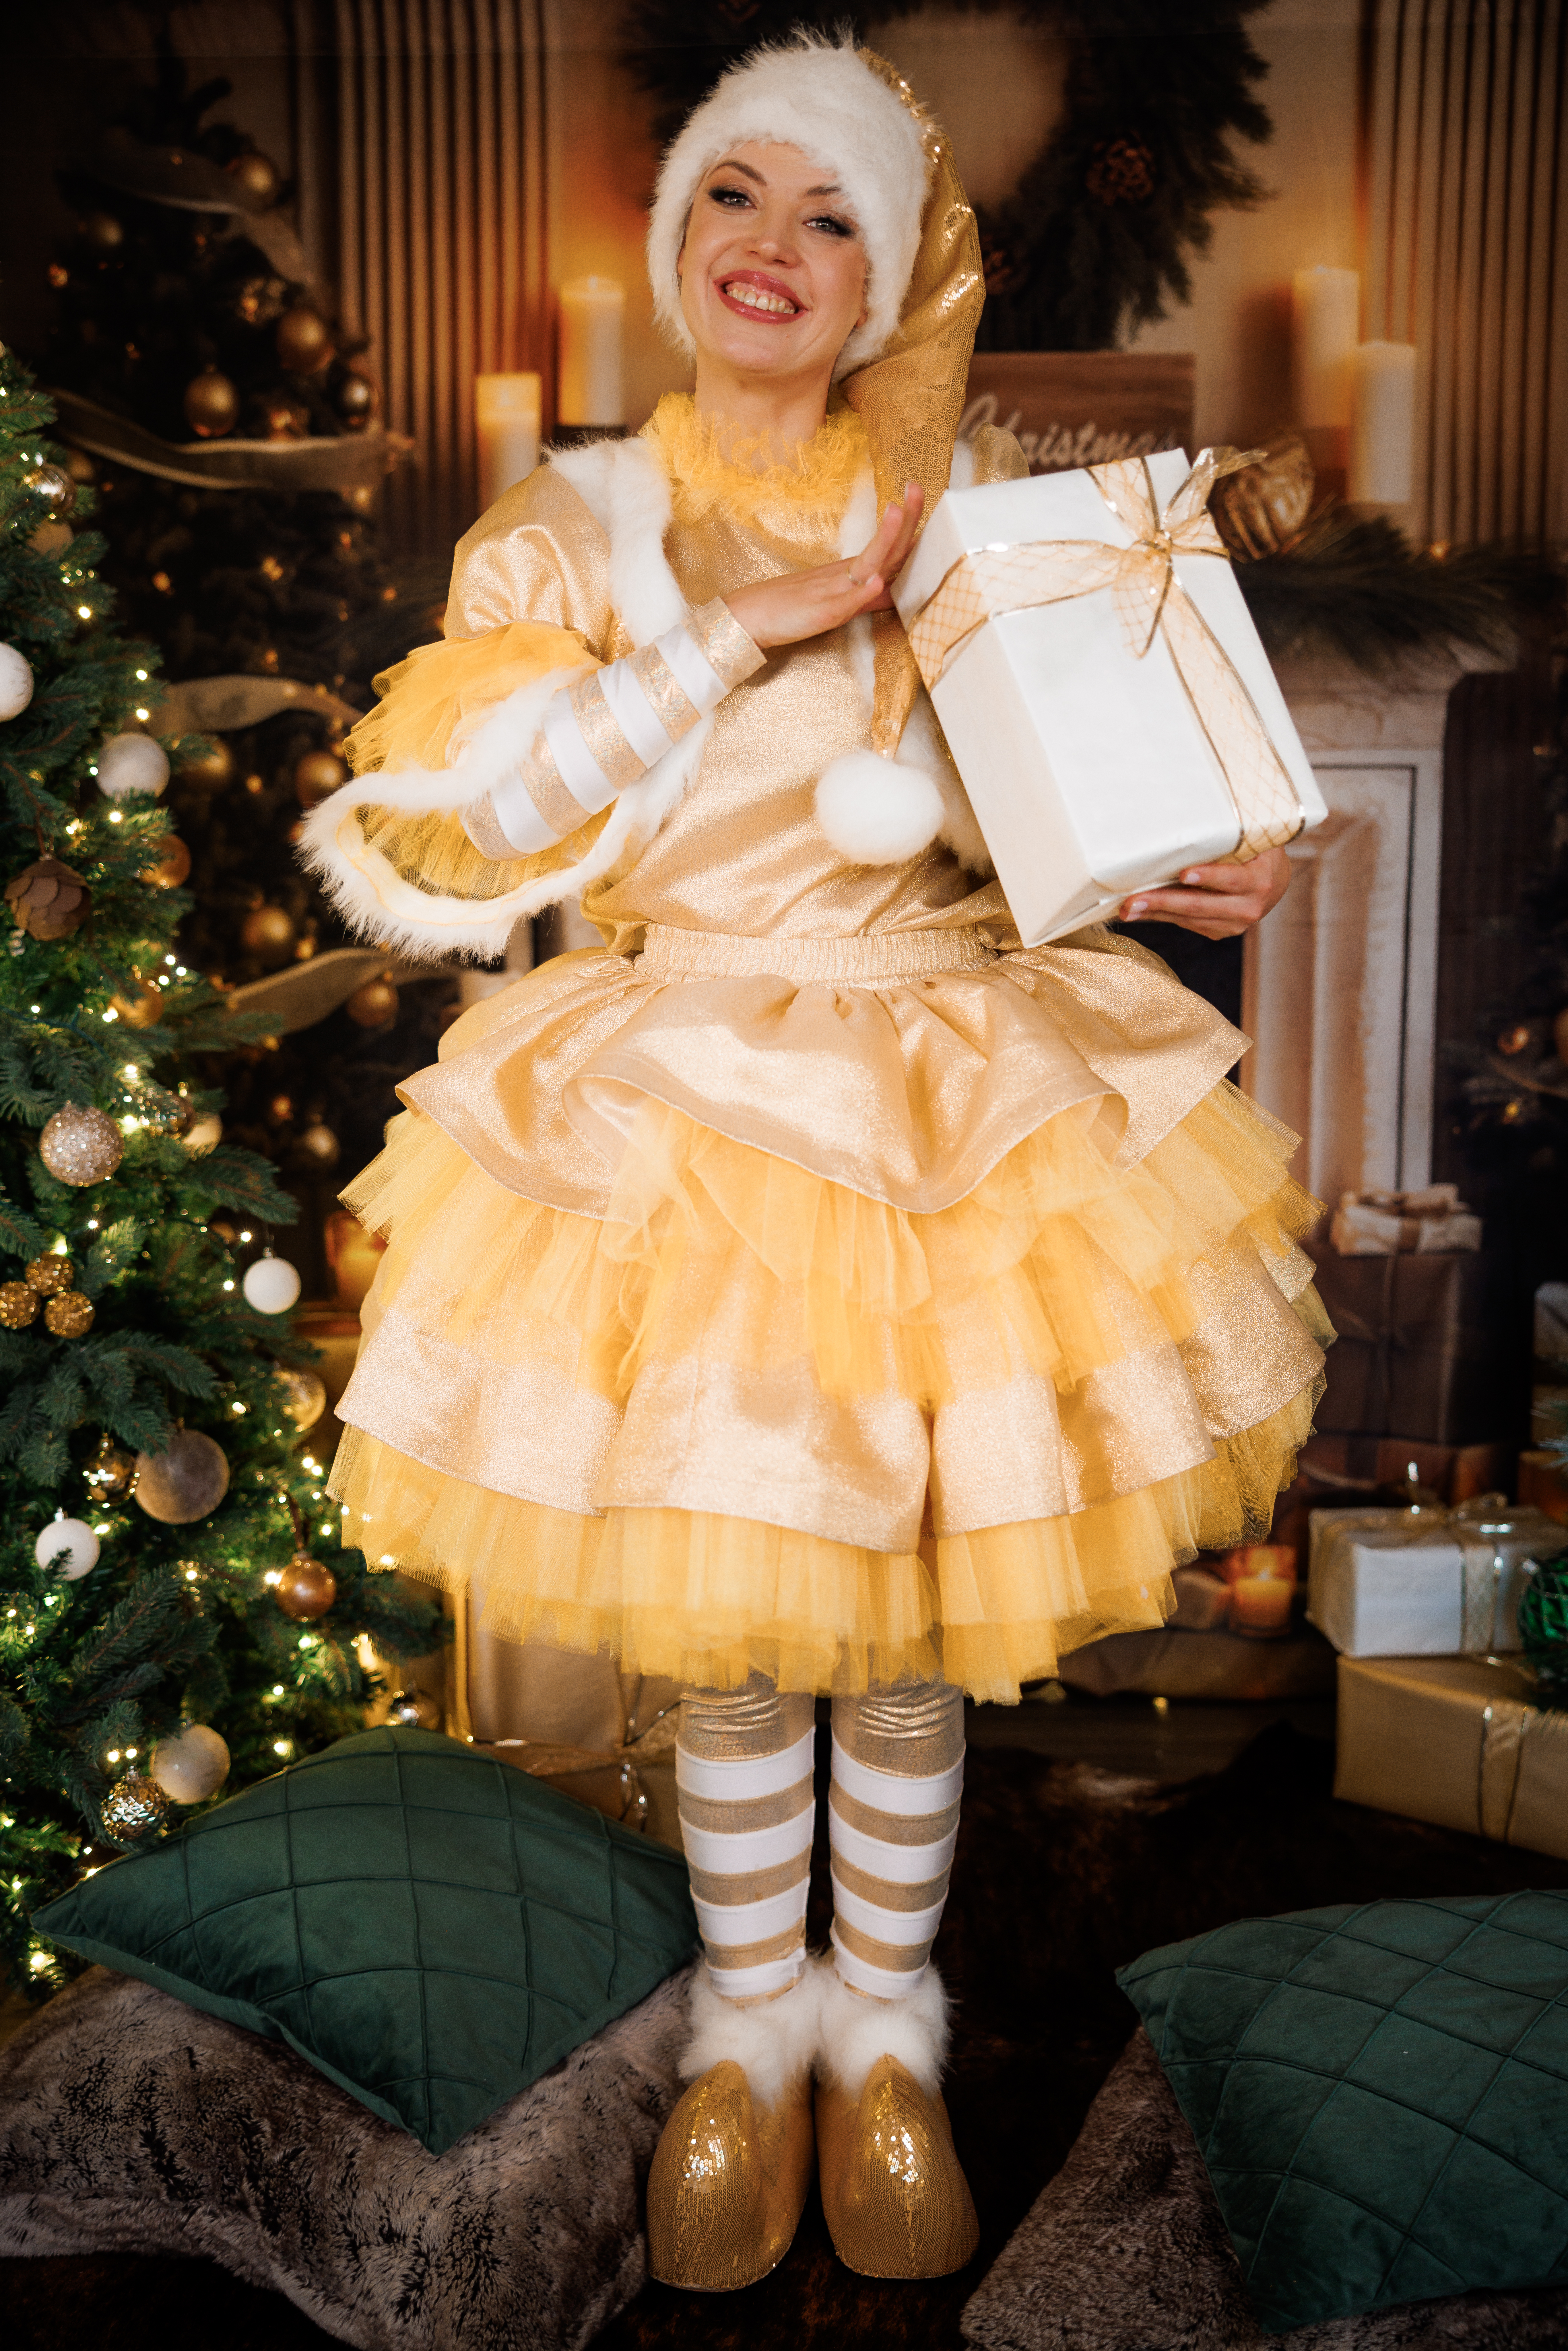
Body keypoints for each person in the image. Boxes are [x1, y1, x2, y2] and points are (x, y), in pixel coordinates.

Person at [302, 33, 1325, 2294]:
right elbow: (471, 831)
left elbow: (1071, 815)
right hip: (679, 1109)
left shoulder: (987, 527)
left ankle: (886, 2041)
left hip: (951, 1101)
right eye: (732, 199)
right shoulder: (568, 524)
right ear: (678, 243)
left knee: (900, 1643)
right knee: (740, 1643)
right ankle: (744, 2036)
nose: (772, 247)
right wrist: (734, 625)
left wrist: (1178, 868)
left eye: (830, 213)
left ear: (890, 279)